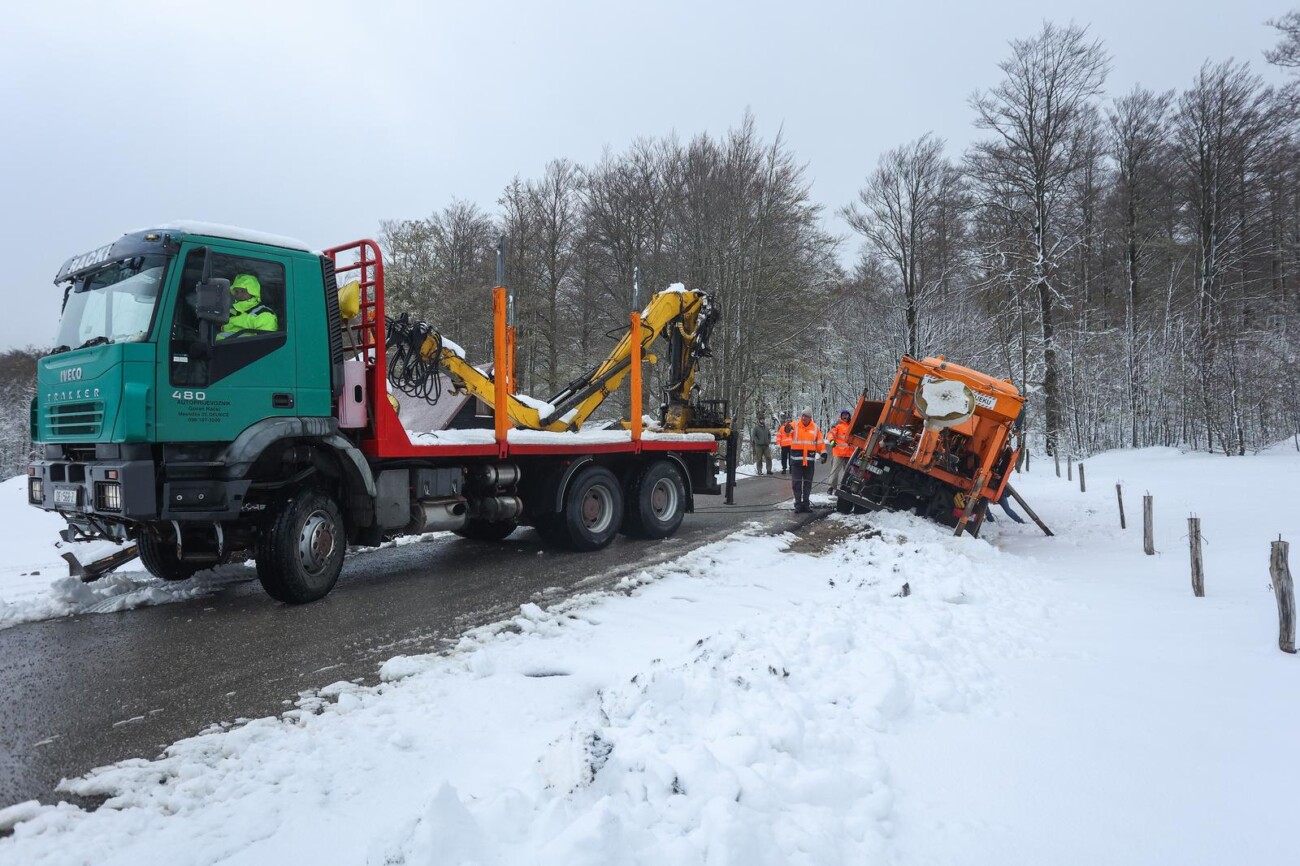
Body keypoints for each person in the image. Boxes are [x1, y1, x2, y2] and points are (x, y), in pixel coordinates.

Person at [219, 273, 278, 339]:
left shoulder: (264, 315)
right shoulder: (232, 312)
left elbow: (264, 344)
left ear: (253, 292)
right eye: (237, 292)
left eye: (243, 291)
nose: (239, 295)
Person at [788, 409, 825, 513]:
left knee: (807, 484)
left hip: (809, 462)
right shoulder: (794, 425)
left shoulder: (815, 428)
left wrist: (823, 453)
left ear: (810, 418)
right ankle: (798, 505)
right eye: (802, 415)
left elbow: (820, 442)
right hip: (796, 461)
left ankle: (806, 504)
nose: (803, 418)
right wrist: (786, 428)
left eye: (806, 416)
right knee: (796, 484)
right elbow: (786, 431)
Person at [826, 409, 854, 491]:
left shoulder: (853, 426)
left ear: (849, 416)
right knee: (835, 471)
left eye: (846, 415)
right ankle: (831, 487)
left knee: (849, 472)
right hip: (839, 452)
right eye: (843, 415)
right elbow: (830, 434)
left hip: (850, 453)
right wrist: (831, 441)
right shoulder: (837, 425)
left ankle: (846, 487)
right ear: (841, 416)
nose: (845, 416)